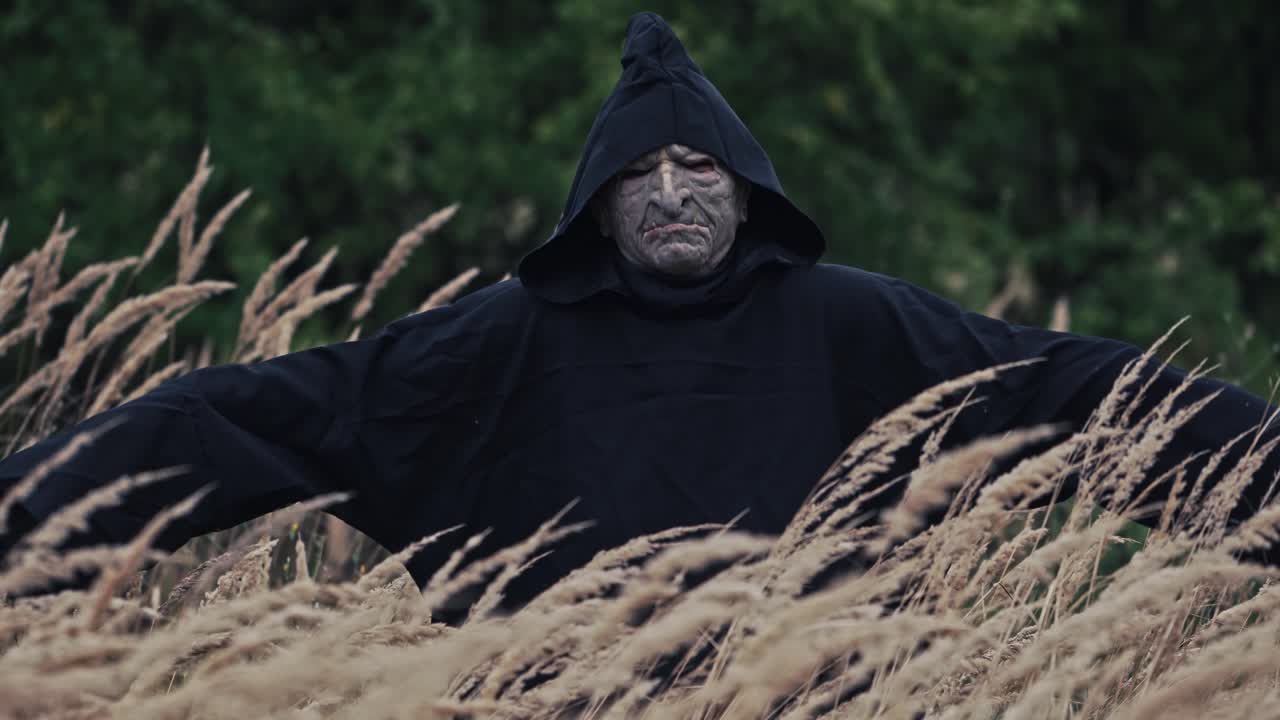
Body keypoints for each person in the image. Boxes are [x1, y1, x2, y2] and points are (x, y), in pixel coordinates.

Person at [1, 13, 1276, 617]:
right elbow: (253, 418)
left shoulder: (852, 327)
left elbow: (1080, 396)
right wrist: (30, 513)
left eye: (698, 167)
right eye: (641, 172)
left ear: (748, 190)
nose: (670, 190)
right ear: (594, 204)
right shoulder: (498, 344)